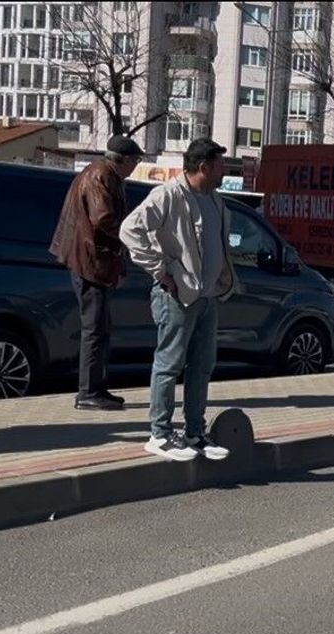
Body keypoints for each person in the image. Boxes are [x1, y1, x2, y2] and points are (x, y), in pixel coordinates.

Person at [120, 139, 237, 462]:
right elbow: (130, 230)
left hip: (207, 296)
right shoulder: (169, 195)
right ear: (203, 167)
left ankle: (194, 433)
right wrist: (161, 271)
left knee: (202, 366)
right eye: (220, 165)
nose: (224, 171)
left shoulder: (214, 199)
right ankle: (159, 434)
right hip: (177, 296)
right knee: (169, 364)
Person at [49, 135, 144, 411]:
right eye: (135, 161)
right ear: (122, 160)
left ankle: (97, 388)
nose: (136, 166)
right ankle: (88, 392)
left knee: (100, 328)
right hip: (89, 262)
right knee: (94, 329)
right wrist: (133, 235)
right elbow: (103, 219)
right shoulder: (100, 175)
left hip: (95, 262)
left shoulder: (106, 174)